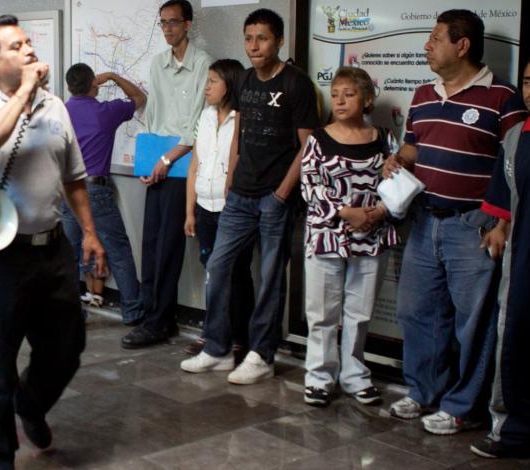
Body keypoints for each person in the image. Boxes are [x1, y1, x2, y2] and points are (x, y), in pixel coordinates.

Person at [0, 15, 104, 469]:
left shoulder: (55, 106)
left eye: (29, 43)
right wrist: (23, 93)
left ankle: (31, 403)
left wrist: (90, 233)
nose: (30, 50)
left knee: (66, 347)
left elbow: (74, 177)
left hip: (51, 249)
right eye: (16, 47)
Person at [383, 10, 526, 435]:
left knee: (473, 323)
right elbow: (414, 147)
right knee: (417, 314)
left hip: (474, 226)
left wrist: (503, 225)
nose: (427, 46)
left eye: (435, 38)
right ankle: (424, 391)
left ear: (462, 45)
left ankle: (465, 407)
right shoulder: (425, 94)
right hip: (425, 220)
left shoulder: (503, 97)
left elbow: (518, 165)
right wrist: (397, 160)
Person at [189, 8, 319, 384]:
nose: (254, 46)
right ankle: (216, 349)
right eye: (248, 38)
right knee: (218, 267)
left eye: (262, 38)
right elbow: (241, 137)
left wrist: (281, 193)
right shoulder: (245, 80)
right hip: (240, 194)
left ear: (279, 40)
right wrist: (232, 177)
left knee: (270, 276)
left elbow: (308, 146)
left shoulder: (296, 84)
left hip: (273, 198)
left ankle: (262, 354)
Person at [296, 67, 398, 407]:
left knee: (360, 311)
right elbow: (310, 186)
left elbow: (398, 182)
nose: (339, 100)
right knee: (322, 312)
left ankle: (355, 376)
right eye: (335, 93)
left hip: (373, 235)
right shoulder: (319, 139)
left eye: (349, 94)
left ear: (367, 99)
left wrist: (377, 212)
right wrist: (345, 212)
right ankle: (319, 378)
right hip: (328, 236)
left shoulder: (384, 137)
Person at [120, 0, 211, 349]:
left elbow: (199, 121)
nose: (168, 29)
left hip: (183, 165)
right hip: (157, 163)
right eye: (163, 23)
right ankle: (152, 316)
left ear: (188, 24)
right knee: (151, 244)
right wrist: (148, 162)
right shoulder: (157, 63)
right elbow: (153, 116)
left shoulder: (202, 63)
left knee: (169, 247)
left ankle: (159, 322)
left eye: (174, 22)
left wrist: (168, 158)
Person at [177, 58, 256, 362]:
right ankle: (216, 334)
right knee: (213, 271)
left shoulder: (243, 119)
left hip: (232, 209)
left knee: (236, 274)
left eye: (212, 81)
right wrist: (189, 211)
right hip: (204, 206)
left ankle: (239, 337)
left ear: (229, 85)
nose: (206, 87)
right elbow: (195, 164)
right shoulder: (206, 116)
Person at [471, 60, 530, 459]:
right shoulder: (515, 137)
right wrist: (498, 226)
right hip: (523, 260)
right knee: (515, 342)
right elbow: (506, 195)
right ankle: (511, 432)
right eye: (527, 80)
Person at [61, 63, 145, 322]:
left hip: (66, 190)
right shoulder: (104, 112)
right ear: (93, 85)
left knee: (68, 255)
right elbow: (140, 99)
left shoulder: (61, 113)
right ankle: (132, 312)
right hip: (95, 190)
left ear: (69, 87)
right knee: (118, 250)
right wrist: (113, 76)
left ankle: (69, 314)